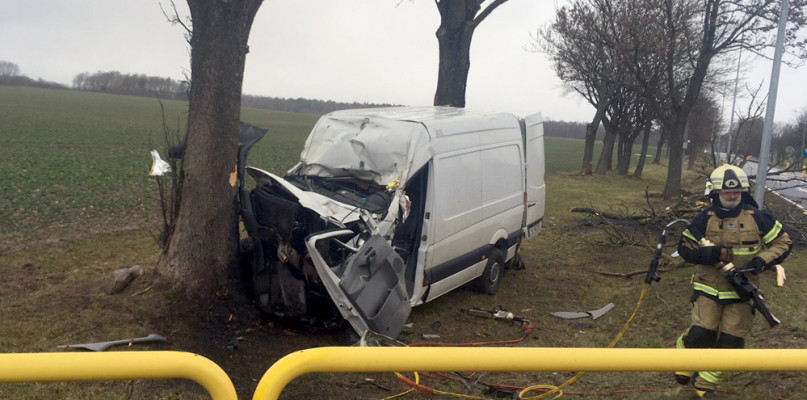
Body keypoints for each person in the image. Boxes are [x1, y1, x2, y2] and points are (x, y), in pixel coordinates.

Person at [674, 164, 792, 398]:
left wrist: (762, 260)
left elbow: (783, 243)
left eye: (736, 192)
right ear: (715, 193)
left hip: (741, 292)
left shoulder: (758, 218)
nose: (731, 195)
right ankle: (682, 359)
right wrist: (711, 255)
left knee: (732, 342)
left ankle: (705, 384)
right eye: (726, 192)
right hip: (708, 288)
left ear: (743, 192)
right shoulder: (703, 219)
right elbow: (684, 248)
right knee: (702, 334)